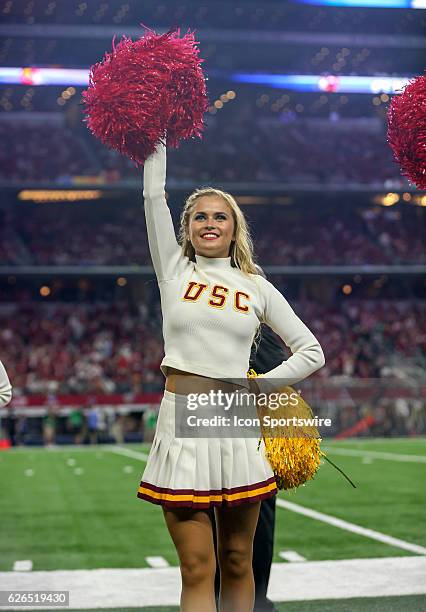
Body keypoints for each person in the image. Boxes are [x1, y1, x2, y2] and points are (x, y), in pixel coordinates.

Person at [137, 141, 325, 612]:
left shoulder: (256, 286)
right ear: (186, 229)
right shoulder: (173, 271)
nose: (210, 223)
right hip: (181, 419)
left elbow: (311, 351)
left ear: (234, 227)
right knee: (197, 568)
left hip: (236, 421)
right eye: (200, 216)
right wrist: (155, 134)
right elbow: (152, 195)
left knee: (238, 559)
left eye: (220, 216)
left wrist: (260, 387)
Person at [213, 323, 287, 612]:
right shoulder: (197, 326)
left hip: (250, 445)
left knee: (252, 534)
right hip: (206, 443)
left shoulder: (253, 329)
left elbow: (281, 380)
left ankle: (255, 603)